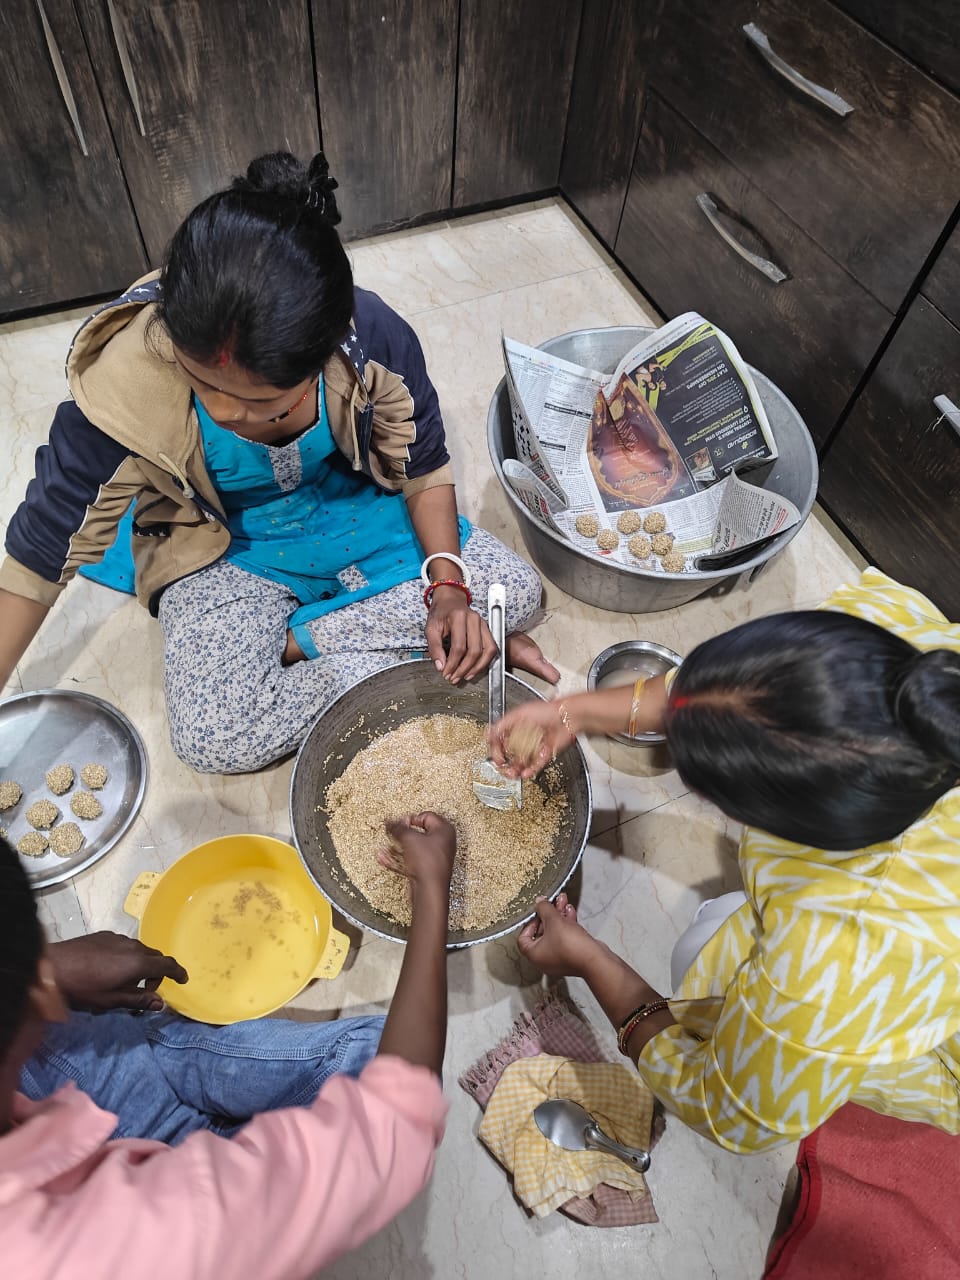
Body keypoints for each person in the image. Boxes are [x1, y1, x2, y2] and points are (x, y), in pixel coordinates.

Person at [0, 151, 557, 774]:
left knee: (520, 592)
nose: (225, 411)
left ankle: (301, 640)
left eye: (256, 400)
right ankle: (403, 649)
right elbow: (33, 560)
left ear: (323, 359)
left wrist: (450, 591)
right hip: (223, 546)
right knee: (214, 735)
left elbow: (425, 467)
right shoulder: (125, 383)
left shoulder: (370, 337)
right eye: (201, 384)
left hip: (350, 511)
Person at [493, 569, 960, 1153]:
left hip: (942, 1041)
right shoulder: (890, 654)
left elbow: (726, 1110)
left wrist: (589, 958)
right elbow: (727, 695)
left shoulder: (838, 961)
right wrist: (574, 713)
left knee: (700, 949)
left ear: (795, 826)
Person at [2, 812, 455, 1279]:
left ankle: (200, 1082)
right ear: (40, 997)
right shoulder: (127, 1246)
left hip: (70, 1076)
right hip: (153, 1202)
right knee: (385, 1058)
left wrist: (53, 969)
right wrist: (432, 890)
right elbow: (394, 1127)